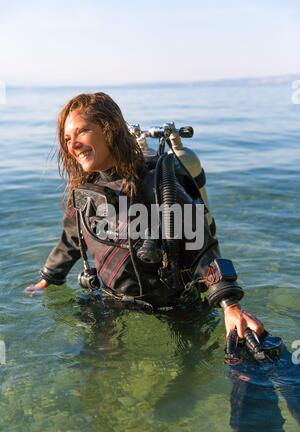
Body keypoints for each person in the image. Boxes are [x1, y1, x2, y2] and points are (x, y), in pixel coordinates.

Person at [26, 92, 264, 341]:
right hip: (110, 302)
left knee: (190, 373)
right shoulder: (84, 191)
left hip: (173, 306)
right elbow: (71, 239)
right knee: (95, 371)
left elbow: (202, 248)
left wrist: (230, 305)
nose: (72, 145)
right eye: (67, 138)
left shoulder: (158, 183)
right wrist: (48, 278)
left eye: (82, 131)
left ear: (110, 129)